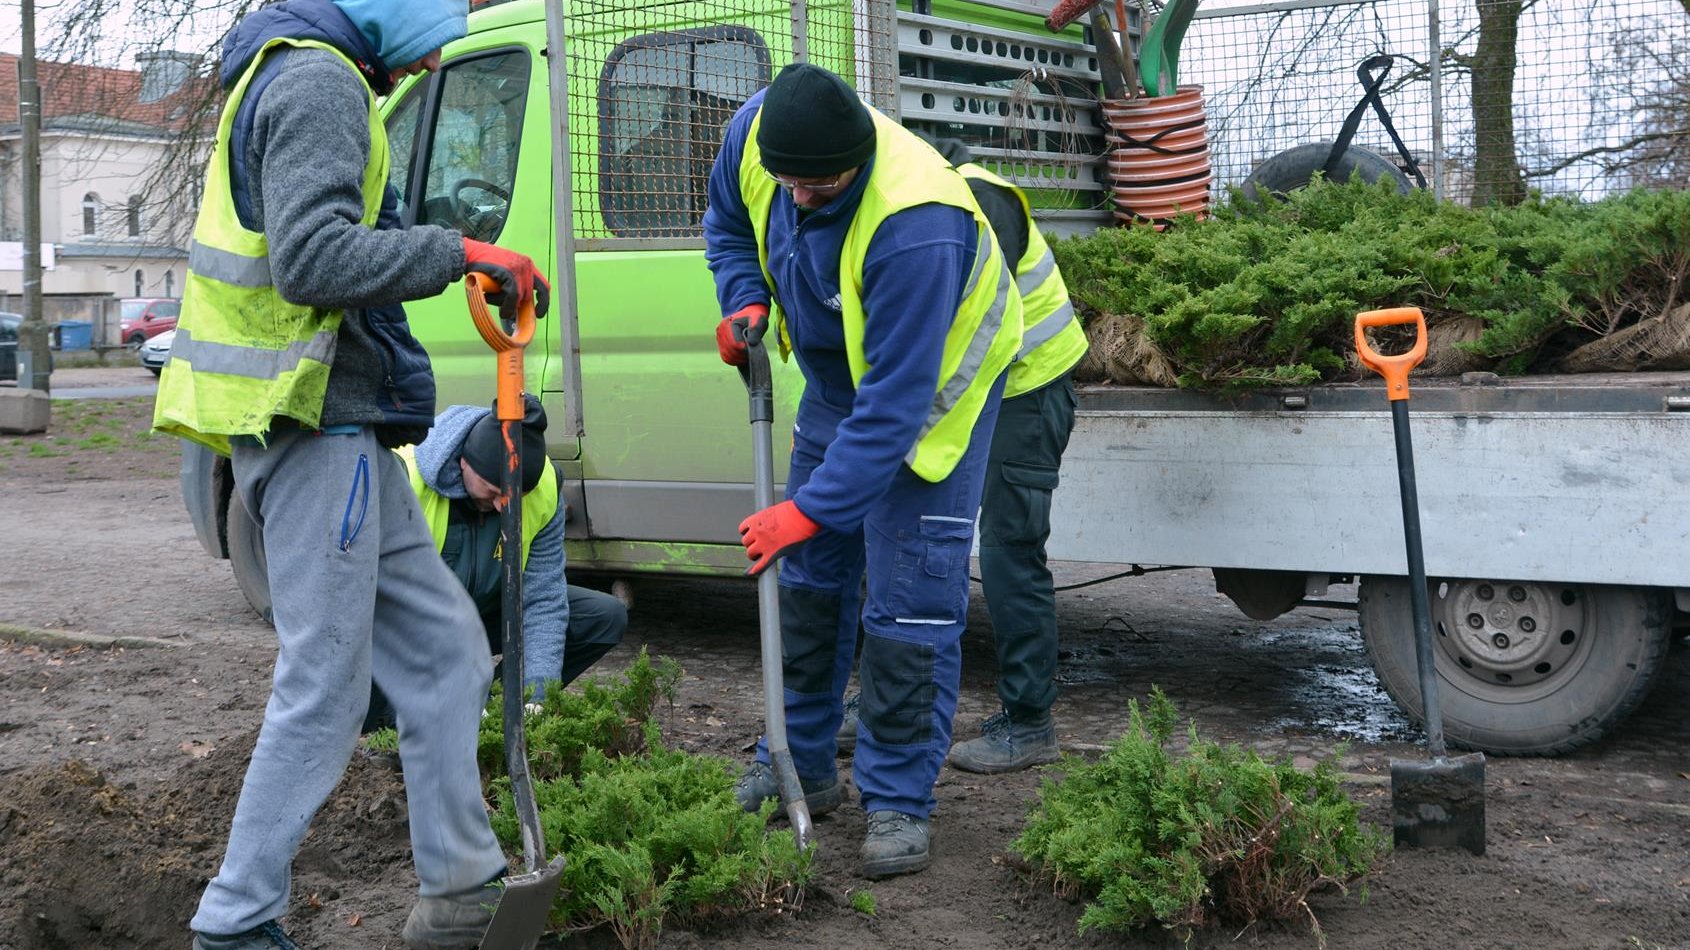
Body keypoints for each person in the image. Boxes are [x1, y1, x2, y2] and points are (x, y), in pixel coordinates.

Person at [152, 2, 550, 948]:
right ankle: (237, 920)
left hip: (343, 426)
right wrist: (460, 252)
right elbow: (312, 259)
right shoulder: (321, 82)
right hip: (310, 422)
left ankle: (459, 889)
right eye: (435, 24)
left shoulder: (298, 73)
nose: (435, 58)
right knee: (326, 681)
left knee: (447, 647)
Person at [702, 62, 1023, 879]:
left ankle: (897, 800)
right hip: (840, 382)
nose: (801, 200)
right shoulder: (754, 140)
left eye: (822, 188)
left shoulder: (917, 220)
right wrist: (745, 299)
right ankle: (798, 762)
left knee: (909, 607)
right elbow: (731, 226)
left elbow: (893, 413)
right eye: (791, 186)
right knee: (808, 588)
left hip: (931, 401)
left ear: (856, 161)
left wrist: (805, 511)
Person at [845, 138, 1090, 775]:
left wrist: (909, 421)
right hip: (989, 385)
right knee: (900, 527)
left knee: (1010, 551)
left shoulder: (976, 200)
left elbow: (968, 322)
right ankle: (878, 703)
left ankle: (1032, 722)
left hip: (1029, 386)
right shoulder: (925, 205)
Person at [362, 397, 628, 734]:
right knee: (362, 693)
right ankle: (418, 725)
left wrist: (537, 693)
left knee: (602, 617)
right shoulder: (404, 479)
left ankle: (499, 709)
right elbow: (382, 609)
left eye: (513, 496)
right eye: (493, 491)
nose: (504, 506)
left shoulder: (543, 487)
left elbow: (543, 598)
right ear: (464, 464)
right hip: (400, 627)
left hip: (482, 611)